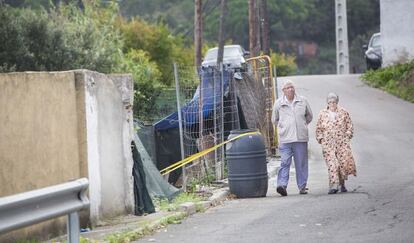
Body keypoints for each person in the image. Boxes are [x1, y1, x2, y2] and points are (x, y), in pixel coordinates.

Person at [272, 80, 313, 196]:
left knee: (301, 163)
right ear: (283, 91)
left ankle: (302, 187)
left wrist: (302, 125)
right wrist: (284, 127)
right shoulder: (278, 103)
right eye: (288, 88)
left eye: (292, 87)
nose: (291, 89)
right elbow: (274, 119)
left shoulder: (302, 101)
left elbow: (309, 116)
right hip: (285, 139)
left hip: (300, 138)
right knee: (285, 162)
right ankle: (282, 185)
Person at [315, 93, 356, 194]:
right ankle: (333, 185)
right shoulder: (322, 113)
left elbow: (349, 125)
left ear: (337, 102)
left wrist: (347, 134)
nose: (332, 104)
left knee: (342, 164)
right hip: (328, 144)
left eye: (334, 102)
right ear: (327, 103)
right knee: (332, 164)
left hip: (341, 143)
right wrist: (321, 139)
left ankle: (342, 184)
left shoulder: (343, 112)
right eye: (330, 102)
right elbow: (318, 128)